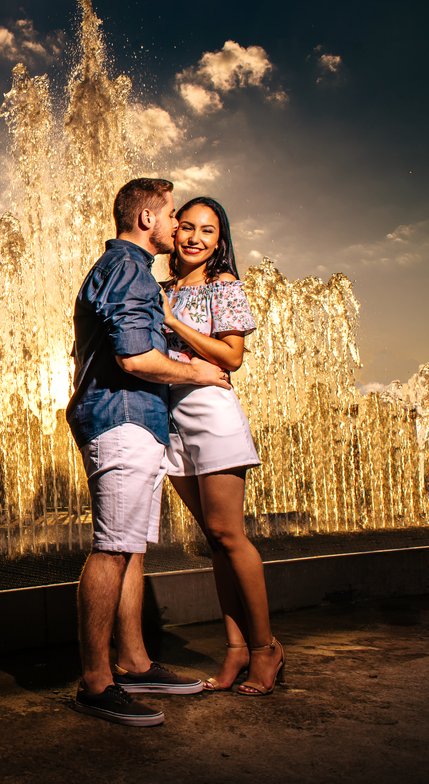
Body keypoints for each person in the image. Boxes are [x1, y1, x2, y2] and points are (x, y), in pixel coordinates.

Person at [66, 178, 231, 726]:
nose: (178, 225)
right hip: (121, 418)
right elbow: (135, 358)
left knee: (130, 548)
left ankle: (134, 663)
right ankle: (96, 683)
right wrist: (199, 373)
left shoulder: (127, 269)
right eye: (172, 215)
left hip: (135, 419)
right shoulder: (129, 269)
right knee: (113, 549)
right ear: (146, 219)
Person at [161, 196, 283, 696]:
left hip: (211, 414)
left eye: (207, 231)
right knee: (212, 539)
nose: (195, 238)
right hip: (169, 419)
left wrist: (174, 322)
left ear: (219, 241)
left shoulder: (222, 284)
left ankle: (265, 648)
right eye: (187, 227)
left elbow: (232, 356)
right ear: (173, 232)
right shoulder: (162, 288)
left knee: (230, 535)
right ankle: (235, 649)